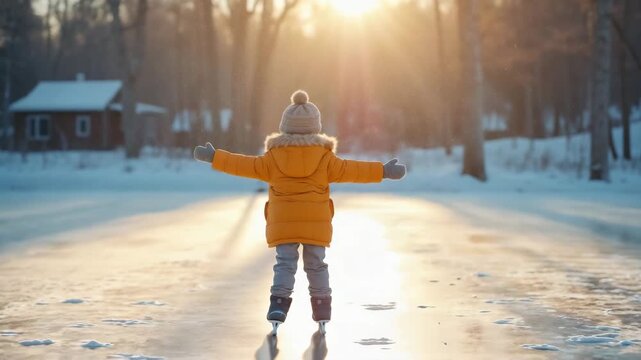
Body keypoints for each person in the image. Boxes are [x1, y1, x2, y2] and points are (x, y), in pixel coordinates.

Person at [194, 90, 406, 334]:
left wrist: (214, 157)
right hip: (316, 224)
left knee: (285, 264)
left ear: (285, 127)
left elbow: (243, 165)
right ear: (316, 128)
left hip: (283, 223)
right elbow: (354, 170)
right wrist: (383, 171)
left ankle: (278, 308)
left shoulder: (272, 159)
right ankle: (322, 311)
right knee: (316, 265)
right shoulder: (327, 159)